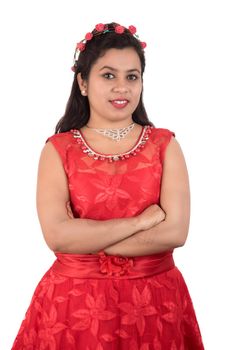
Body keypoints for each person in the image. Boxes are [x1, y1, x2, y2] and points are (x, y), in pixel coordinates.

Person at [12, 22, 204, 349]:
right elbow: (58, 236)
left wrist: (84, 238)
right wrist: (141, 222)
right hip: (72, 308)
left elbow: (175, 233)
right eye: (108, 75)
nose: (122, 87)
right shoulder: (57, 149)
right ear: (83, 83)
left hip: (154, 304)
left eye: (132, 76)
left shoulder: (164, 144)